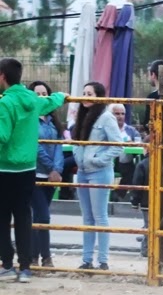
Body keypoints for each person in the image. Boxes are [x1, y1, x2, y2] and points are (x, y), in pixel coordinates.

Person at [0, 58, 66, 283]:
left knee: (2, 218)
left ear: (2, 77)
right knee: (23, 216)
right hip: (28, 168)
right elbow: (51, 101)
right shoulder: (32, 98)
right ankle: (26, 267)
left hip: (5, 168)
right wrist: (61, 95)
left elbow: (2, 136)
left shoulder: (5, 103)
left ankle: (7, 264)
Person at [72, 81, 121, 271]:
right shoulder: (81, 116)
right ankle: (86, 260)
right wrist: (78, 156)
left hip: (99, 172)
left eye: (89, 94)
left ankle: (102, 260)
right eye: (84, 93)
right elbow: (77, 141)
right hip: (82, 171)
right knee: (87, 217)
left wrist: (99, 160)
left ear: (99, 97)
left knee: (100, 216)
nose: (85, 97)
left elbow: (118, 145)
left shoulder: (106, 117)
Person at [29, 80, 65, 269]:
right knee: (42, 216)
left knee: (40, 216)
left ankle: (35, 257)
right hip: (35, 174)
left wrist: (57, 169)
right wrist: (52, 167)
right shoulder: (30, 119)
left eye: (45, 94)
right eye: (38, 94)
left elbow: (59, 146)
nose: (42, 97)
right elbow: (36, 147)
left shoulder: (54, 122)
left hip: (51, 175)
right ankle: (45, 256)